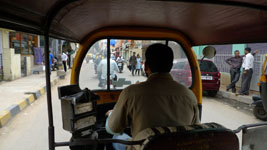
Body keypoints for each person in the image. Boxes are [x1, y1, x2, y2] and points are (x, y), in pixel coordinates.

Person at [105, 43, 200, 150]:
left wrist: (111, 114)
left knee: (117, 136)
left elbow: (113, 128)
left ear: (146, 66)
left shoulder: (131, 93)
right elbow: (194, 130)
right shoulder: (189, 95)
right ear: (170, 66)